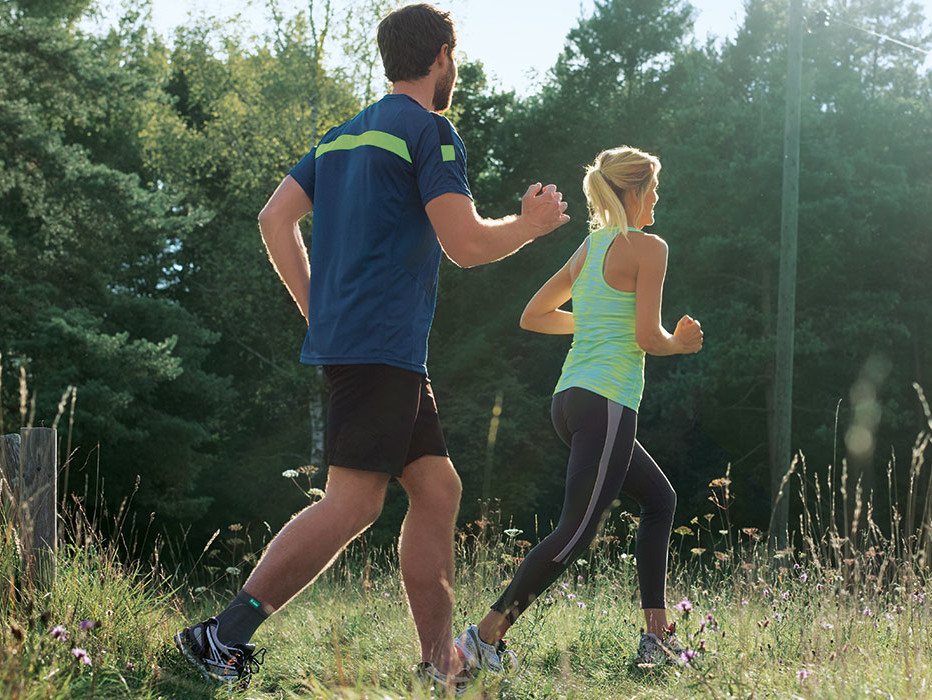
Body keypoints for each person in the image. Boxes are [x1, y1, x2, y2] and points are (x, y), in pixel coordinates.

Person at [173, 2, 569, 693]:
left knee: (438, 488)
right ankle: (221, 636)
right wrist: (532, 227)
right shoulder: (430, 131)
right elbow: (466, 243)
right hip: (381, 346)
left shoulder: (341, 138)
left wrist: (317, 310)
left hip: (374, 348)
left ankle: (439, 662)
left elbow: (275, 219)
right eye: (456, 55)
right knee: (353, 503)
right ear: (442, 54)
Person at [454, 146, 703, 673]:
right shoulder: (649, 247)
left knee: (659, 499)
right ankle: (483, 637)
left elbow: (534, 314)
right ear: (633, 192)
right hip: (608, 401)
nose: (657, 197)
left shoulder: (590, 249)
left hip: (570, 402)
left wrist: (594, 322)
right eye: (653, 188)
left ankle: (656, 639)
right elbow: (646, 337)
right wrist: (678, 344)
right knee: (575, 532)